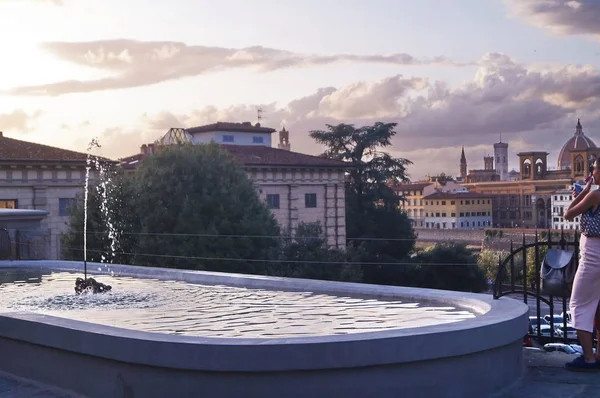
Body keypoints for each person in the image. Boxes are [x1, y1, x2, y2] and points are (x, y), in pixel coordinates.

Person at [564, 160, 600, 371]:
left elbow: (568, 214)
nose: (591, 171)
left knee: (579, 305)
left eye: (594, 168)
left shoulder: (595, 195)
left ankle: (588, 359)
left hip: (594, 254)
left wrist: (585, 191)